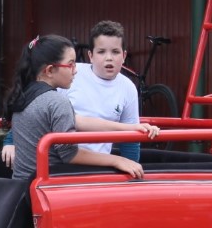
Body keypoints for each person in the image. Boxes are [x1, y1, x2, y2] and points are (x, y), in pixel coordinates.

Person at [4, 35, 144, 183]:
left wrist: (131, 127)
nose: (76, 71)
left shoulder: (25, 95)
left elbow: (78, 121)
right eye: (71, 65)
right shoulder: (57, 102)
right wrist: (117, 160)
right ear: (50, 70)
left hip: (22, 184)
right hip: (48, 186)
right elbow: (70, 154)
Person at [68, 20, 160, 162]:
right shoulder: (71, 74)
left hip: (101, 164)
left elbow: (130, 139)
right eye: (101, 52)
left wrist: (131, 169)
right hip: (64, 163)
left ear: (124, 56)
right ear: (90, 56)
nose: (109, 58)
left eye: (115, 52)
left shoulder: (128, 87)